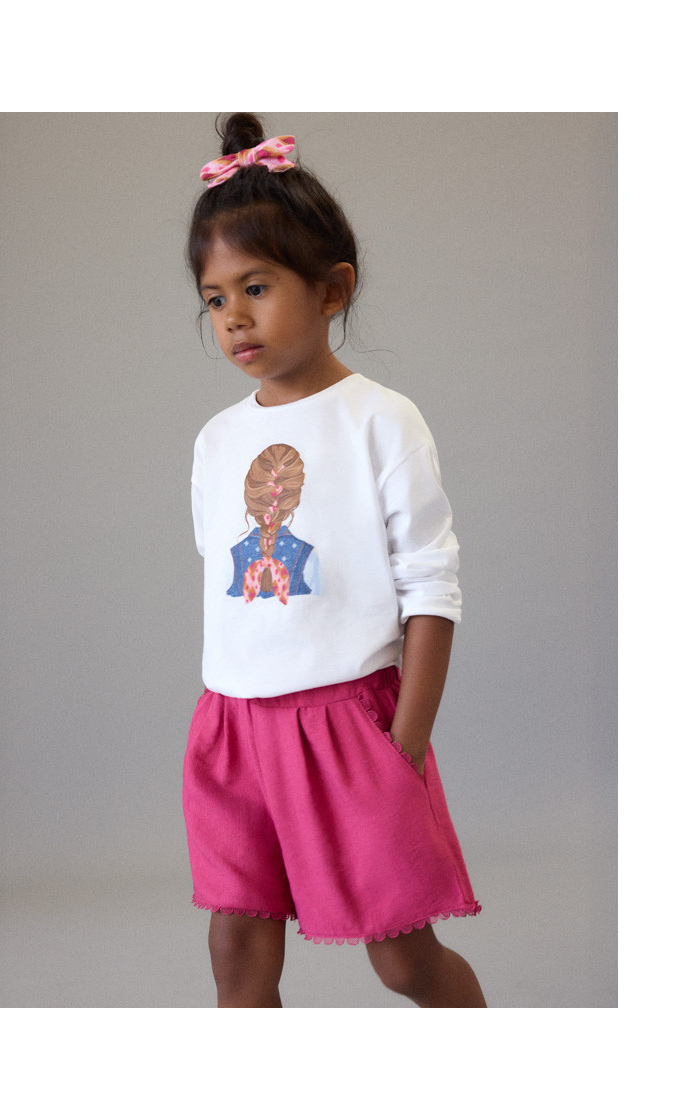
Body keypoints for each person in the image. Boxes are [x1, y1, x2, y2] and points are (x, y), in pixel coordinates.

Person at [182, 113, 487, 1008]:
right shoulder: (216, 440)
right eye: (214, 298)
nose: (235, 316)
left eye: (257, 286)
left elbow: (430, 587)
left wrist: (405, 745)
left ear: (331, 288)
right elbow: (228, 588)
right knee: (236, 947)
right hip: (233, 728)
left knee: (401, 955)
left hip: (349, 729)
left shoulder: (381, 420)